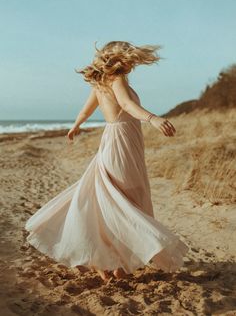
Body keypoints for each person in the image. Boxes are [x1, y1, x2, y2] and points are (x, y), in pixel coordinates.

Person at [25, 41, 189, 283]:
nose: (132, 63)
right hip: (121, 140)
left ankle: (108, 260)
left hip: (117, 140)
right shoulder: (117, 79)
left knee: (113, 198)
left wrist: (76, 125)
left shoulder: (100, 83)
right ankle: (113, 261)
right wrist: (152, 118)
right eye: (129, 58)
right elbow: (125, 105)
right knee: (126, 198)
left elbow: (86, 111)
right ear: (119, 59)